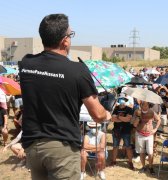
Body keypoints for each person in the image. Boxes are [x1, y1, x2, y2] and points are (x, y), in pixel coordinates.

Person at [19, 14, 110, 180]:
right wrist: (108, 113)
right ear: (65, 40)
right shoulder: (78, 70)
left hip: (32, 146)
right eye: (70, 34)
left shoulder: (26, 64)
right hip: (62, 147)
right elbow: (98, 115)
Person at [133, 101, 161, 175]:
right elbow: (134, 124)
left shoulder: (152, 112)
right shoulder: (137, 112)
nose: (144, 106)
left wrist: (155, 129)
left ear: (148, 105)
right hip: (140, 133)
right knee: (142, 152)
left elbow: (158, 120)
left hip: (149, 134)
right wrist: (138, 117)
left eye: (146, 104)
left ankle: (151, 167)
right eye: (143, 104)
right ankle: (143, 167)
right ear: (141, 105)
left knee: (150, 152)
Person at [110, 95, 134, 170]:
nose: (122, 101)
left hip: (126, 130)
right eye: (120, 99)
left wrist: (118, 117)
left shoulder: (129, 109)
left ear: (126, 101)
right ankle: (113, 161)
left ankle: (130, 162)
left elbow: (128, 119)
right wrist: (123, 118)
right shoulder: (116, 108)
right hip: (116, 130)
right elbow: (112, 119)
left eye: (123, 99)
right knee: (115, 146)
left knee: (128, 147)